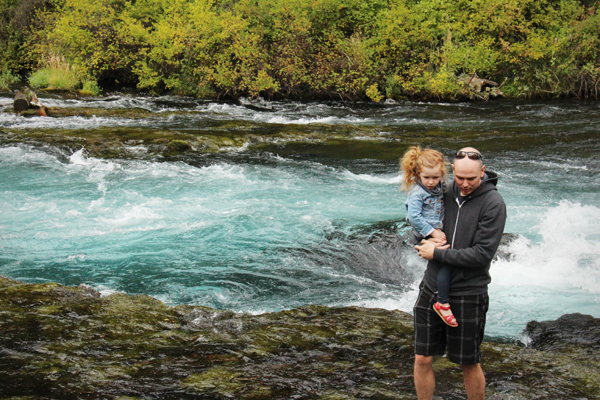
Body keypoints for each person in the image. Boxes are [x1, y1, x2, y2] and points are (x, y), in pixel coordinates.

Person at [413, 147, 507, 400]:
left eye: (472, 179)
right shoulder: (440, 191)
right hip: (431, 288)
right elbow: (419, 227)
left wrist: (438, 254)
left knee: (468, 362)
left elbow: (481, 255)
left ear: (483, 172)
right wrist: (424, 238)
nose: (465, 184)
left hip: (468, 292)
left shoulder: (493, 203)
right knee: (422, 358)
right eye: (460, 178)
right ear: (452, 171)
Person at [400, 146, 457, 328]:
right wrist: (432, 233)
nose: (431, 182)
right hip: (424, 234)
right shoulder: (418, 192)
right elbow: (413, 217)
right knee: (446, 262)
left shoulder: (440, 186)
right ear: (418, 175)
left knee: (448, 260)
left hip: (438, 230)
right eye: (427, 178)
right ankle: (443, 302)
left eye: (436, 177)